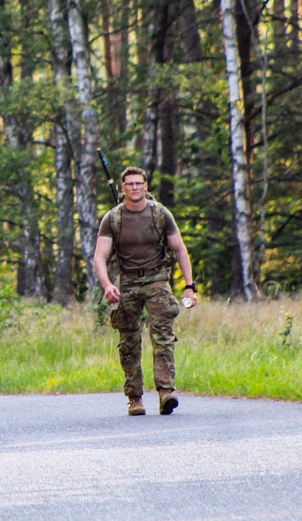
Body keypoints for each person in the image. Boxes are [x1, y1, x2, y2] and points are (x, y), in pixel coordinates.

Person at [92, 166, 197, 417]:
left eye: (139, 183)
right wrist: (107, 284)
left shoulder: (161, 215)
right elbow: (100, 256)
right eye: (129, 184)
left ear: (146, 186)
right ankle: (135, 398)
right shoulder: (113, 219)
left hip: (157, 281)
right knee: (128, 341)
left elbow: (180, 249)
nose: (134, 188)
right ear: (123, 187)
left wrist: (190, 286)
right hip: (127, 282)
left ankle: (165, 393)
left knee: (162, 336)